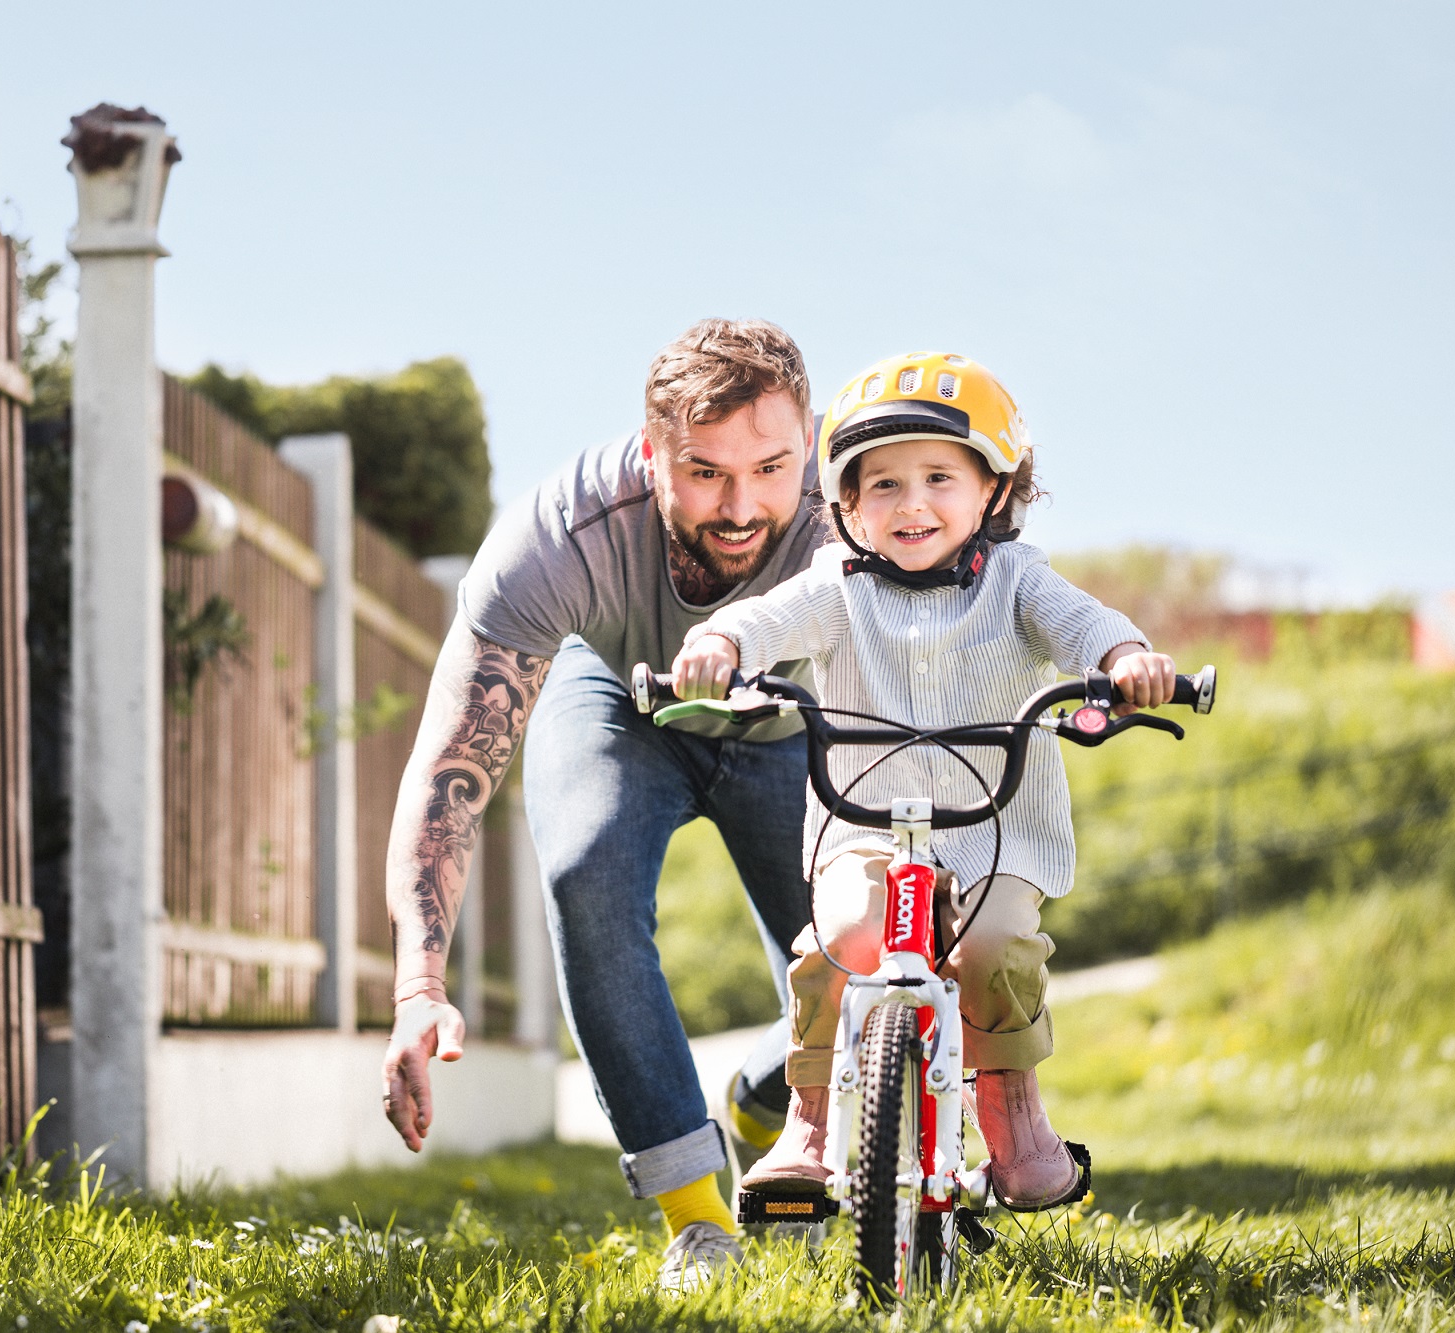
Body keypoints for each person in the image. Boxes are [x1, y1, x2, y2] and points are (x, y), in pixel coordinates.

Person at [380, 319, 836, 1290]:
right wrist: (418, 987)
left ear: (810, 441)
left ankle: (759, 1099)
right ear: (647, 455)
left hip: (791, 727)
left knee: (850, 954)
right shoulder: (556, 540)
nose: (742, 505)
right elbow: (449, 769)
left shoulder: (860, 505)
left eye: (770, 467)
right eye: (703, 472)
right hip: (625, 700)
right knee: (584, 869)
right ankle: (698, 1221)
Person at [667, 351, 1175, 1210]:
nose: (912, 504)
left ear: (994, 492)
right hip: (862, 827)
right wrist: (722, 645)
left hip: (993, 830)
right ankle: (813, 1121)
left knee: (994, 948)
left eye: (940, 476)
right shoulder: (838, 587)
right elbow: (768, 616)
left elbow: (1083, 623)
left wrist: (1125, 660)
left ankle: (1014, 1121)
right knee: (841, 938)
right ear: (848, 506)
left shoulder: (1017, 582)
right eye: (884, 485)